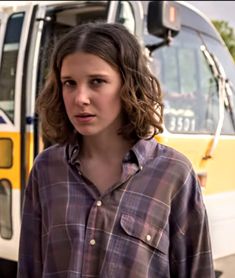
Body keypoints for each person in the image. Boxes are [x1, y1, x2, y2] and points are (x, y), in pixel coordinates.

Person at [17, 22, 215, 278]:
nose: (80, 98)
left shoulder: (173, 174)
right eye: (69, 83)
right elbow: (29, 268)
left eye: (97, 81)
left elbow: (197, 270)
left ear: (129, 85)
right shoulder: (47, 169)